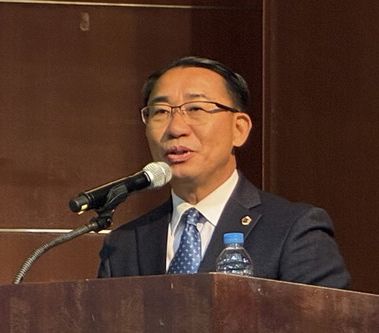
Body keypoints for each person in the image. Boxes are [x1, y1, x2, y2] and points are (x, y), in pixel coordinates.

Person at [97, 56, 350, 289]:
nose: (175, 128)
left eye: (195, 109)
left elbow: (327, 322)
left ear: (239, 129)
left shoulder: (293, 230)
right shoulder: (124, 244)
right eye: (161, 112)